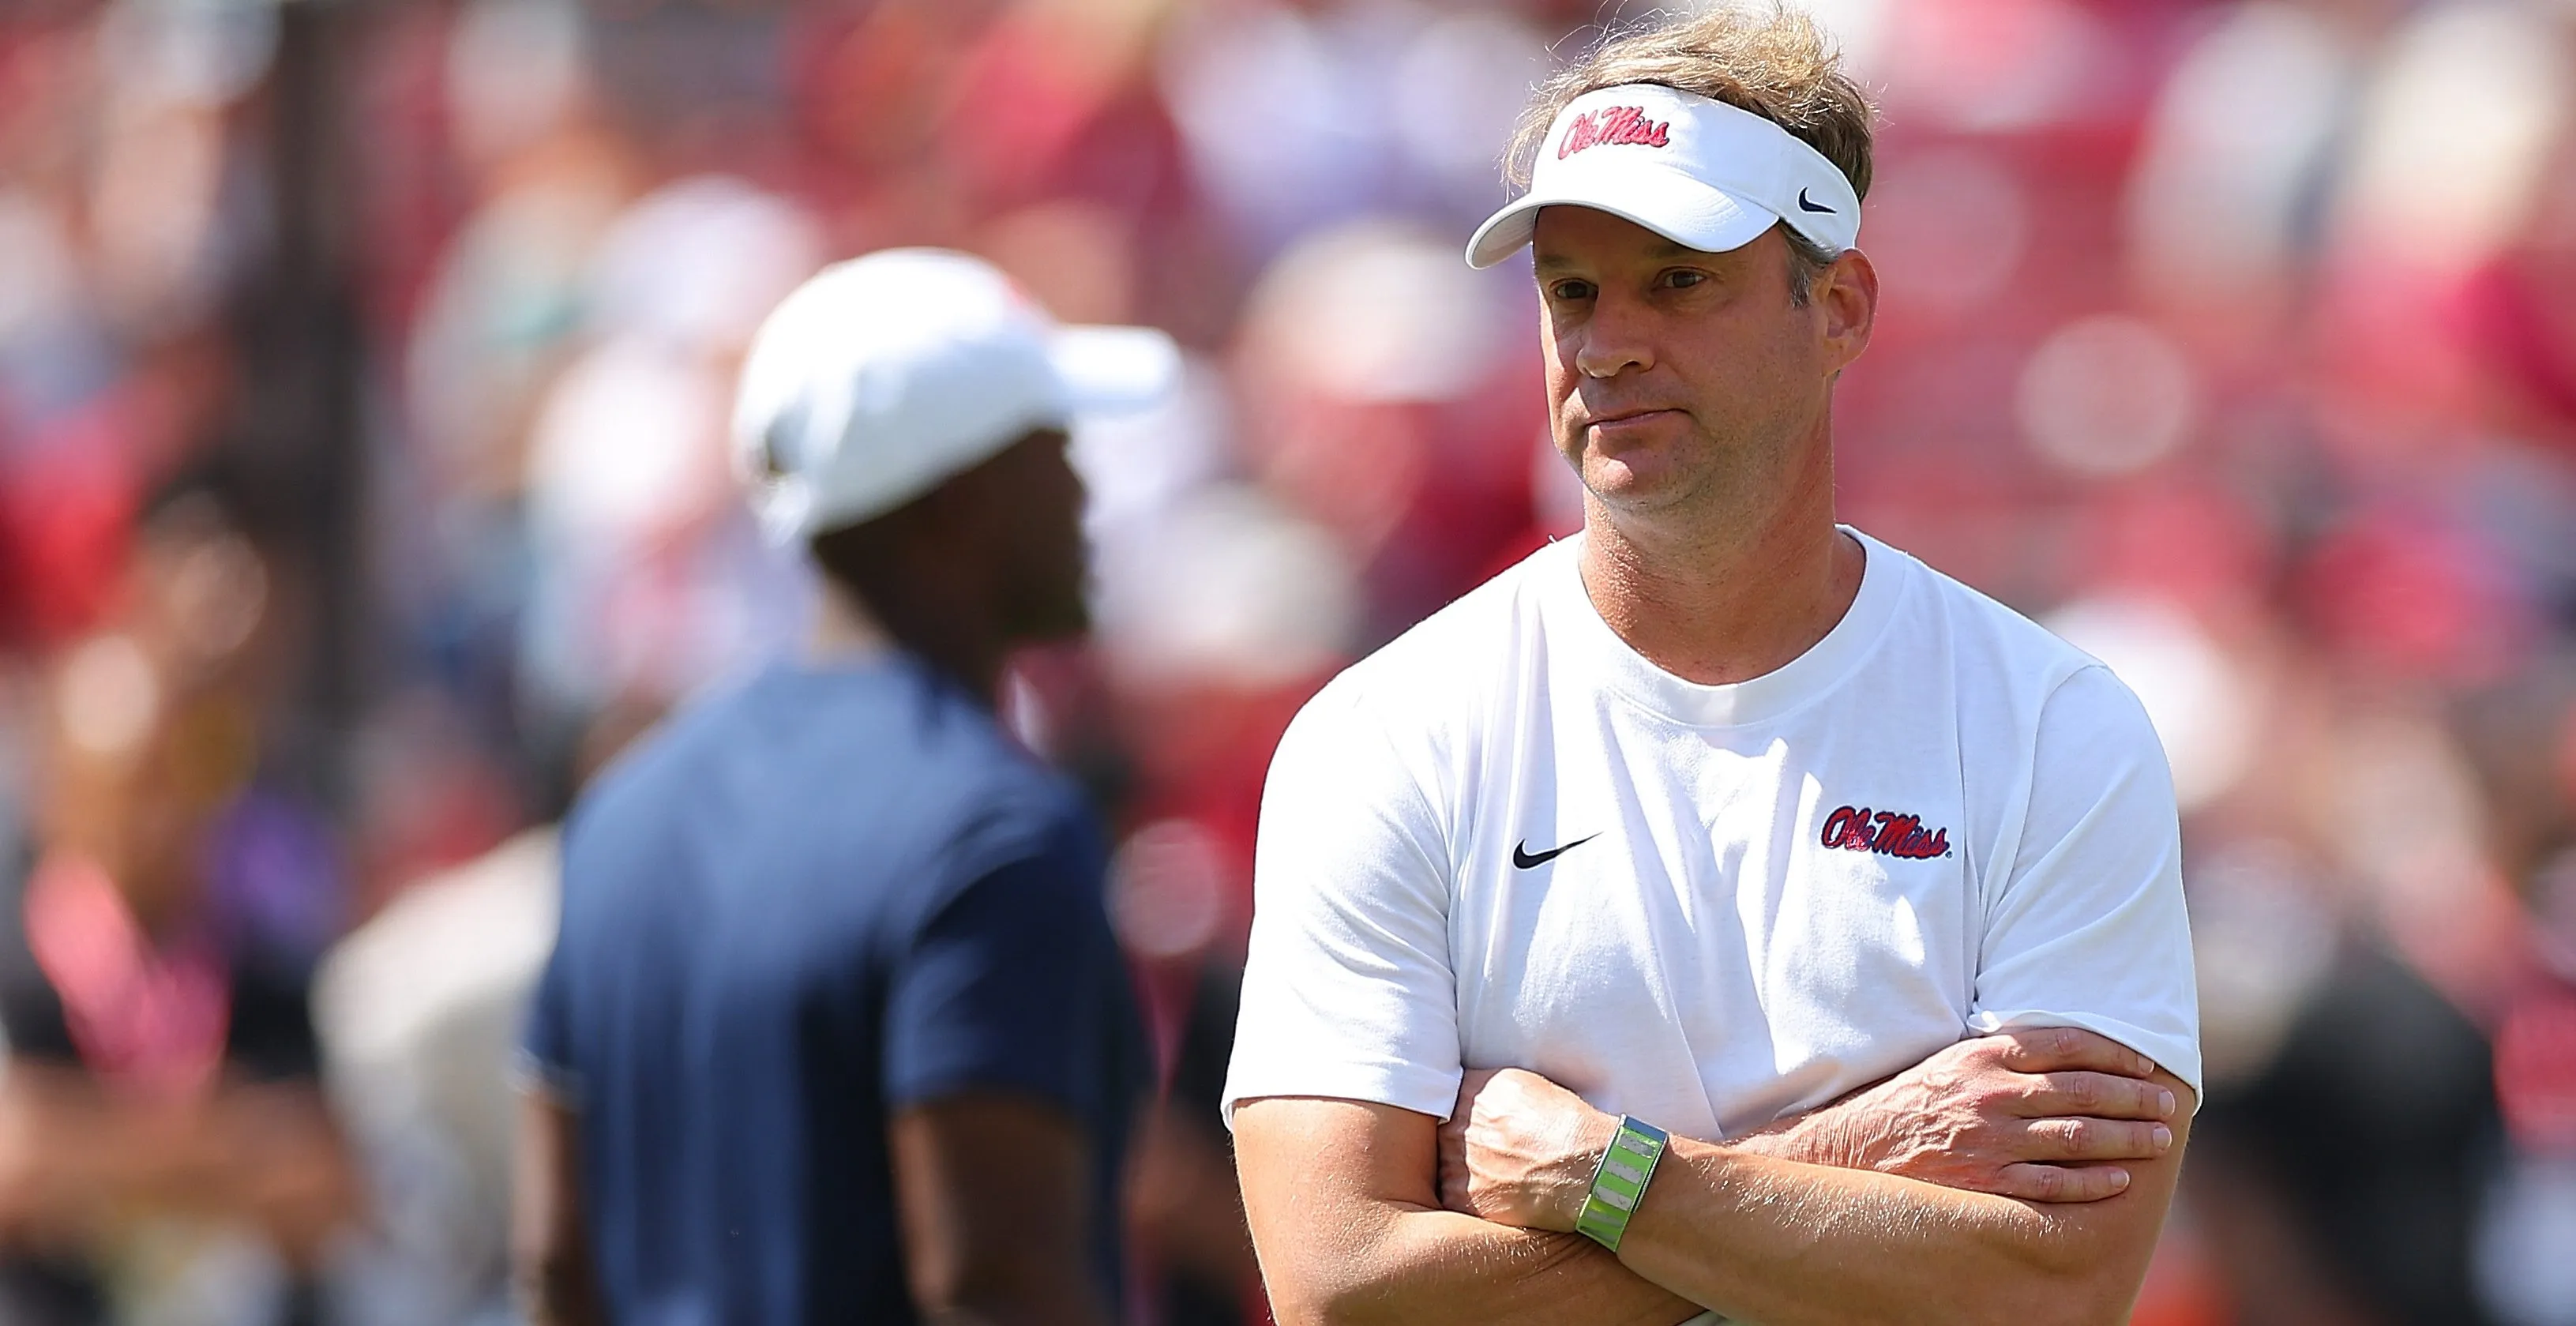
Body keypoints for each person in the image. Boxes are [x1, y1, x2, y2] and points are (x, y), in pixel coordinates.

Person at [1222, 9, 2202, 1326]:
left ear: (1839, 307)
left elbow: (2059, 1279)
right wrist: (1853, 1159)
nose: (1607, 342)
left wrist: (1592, 1171)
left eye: (1677, 280)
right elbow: (1337, 1286)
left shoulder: (2051, 725)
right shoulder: (1386, 733)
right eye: (1571, 289)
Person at [512, 249, 1166, 1324]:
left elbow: (551, 1267)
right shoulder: (990, 830)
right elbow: (993, 1283)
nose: (1084, 487)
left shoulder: (623, 810)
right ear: (958, 499)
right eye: (1052, 444)